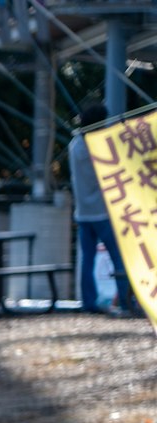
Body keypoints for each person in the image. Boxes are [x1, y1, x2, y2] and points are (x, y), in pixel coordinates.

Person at [68, 101, 135, 316]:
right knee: (119, 257)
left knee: (87, 260)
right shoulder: (99, 145)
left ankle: (89, 302)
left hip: (82, 212)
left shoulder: (75, 144)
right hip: (103, 212)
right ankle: (125, 302)